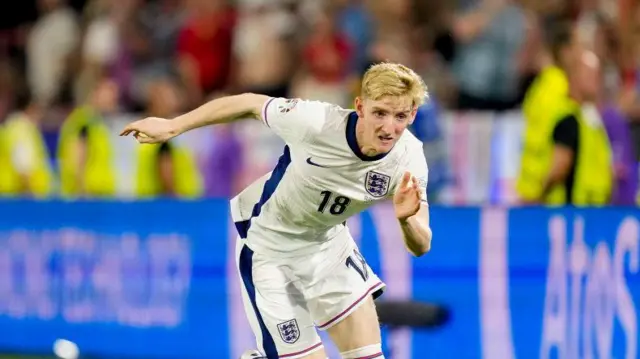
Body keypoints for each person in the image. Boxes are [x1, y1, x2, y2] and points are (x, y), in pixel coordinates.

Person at [120, 62, 432, 359]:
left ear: (413, 114)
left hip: (329, 250)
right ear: (360, 106)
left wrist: (405, 220)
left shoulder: (409, 159)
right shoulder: (315, 123)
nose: (389, 127)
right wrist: (174, 125)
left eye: (400, 116)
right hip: (270, 251)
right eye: (380, 113)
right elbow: (248, 103)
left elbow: (421, 245)